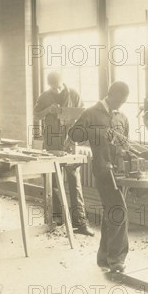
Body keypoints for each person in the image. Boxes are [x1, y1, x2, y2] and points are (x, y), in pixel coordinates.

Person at [66, 81, 131, 273]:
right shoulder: (91, 113)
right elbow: (74, 135)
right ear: (110, 95)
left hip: (121, 172)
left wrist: (129, 152)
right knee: (119, 211)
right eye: (119, 100)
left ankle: (104, 257)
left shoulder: (122, 117)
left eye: (124, 102)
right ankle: (116, 260)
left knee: (112, 212)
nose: (121, 105)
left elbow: (125, 143)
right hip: (103, 171)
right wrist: (96, 132)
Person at [33, 71, 94, 236]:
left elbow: (84, 115)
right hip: (51, 143)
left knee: (75, 182)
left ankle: (80, 223)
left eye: (58, 87)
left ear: (63, 83)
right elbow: (35, 115)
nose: (56, 90)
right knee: (53, 182)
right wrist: (47, 110)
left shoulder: (73, 94)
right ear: (49, 86)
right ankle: (57, 218)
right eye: (53, 88)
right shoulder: (45, 96)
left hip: (69, 142)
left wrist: (75, 131)